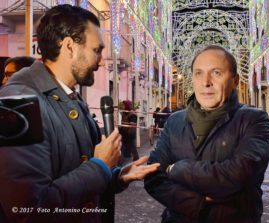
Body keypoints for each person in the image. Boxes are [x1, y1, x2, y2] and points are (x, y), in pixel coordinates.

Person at [0, 5, 159, 223]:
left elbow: (76, 171)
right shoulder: (18, 103)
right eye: (96, 50)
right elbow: (26, 211)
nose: (101, 61)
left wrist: (117, 176)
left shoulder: (70, 97)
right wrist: (100, 166)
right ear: (69, 47)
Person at [144, 45, 269, 223]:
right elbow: (153, 177)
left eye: (216, 72)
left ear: (235, 80)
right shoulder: (175, 121)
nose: (206, 82)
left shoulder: (253, 119)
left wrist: (177, 169)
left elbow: (239, 175)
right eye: (198, 73)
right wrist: (197, 203)